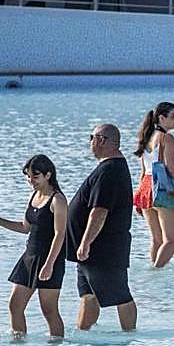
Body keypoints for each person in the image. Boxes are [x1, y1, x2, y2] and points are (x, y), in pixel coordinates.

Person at [0, 154, 68, 338]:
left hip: (50, 259)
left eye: (35, 176)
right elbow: (25, 228)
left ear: (48, 175)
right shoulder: (33, 196)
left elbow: (60, 234)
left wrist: (49, 264)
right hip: (29, 257)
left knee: (49, 310)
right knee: (15, 305)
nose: (31, 181)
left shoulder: (58, 200)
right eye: (28, 177)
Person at [67, 124, 137, 331]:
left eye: (92, 138)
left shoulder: (109, 171)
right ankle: (83, 335)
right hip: (91, 250)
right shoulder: (109, 167)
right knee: (88, 295)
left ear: (101, 140)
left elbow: (99, 211)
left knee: (120, 295)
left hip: (103, 247)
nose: (90, 142)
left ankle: (129, 336)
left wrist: (86, 242)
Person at [131, 102, 174, 267]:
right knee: (171, 240)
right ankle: (157, 271)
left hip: (146, 187)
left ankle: (154, 275)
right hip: (163, 188)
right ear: (161, 118)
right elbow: (171, 168)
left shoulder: (146, 137)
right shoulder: (167, 138)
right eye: (173, 116)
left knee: (157, 239)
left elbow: (143, 171)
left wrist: (139, 197)